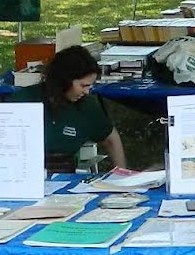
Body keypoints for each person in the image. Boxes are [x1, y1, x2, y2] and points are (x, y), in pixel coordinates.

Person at [10, 44, 127, 173]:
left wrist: (122, 176)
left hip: (65, 177)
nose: (87, 92)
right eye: (83, 85)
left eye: (89, 86)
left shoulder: (87, 106)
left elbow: (111, 139)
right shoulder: (22, 101)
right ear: (64, 80)